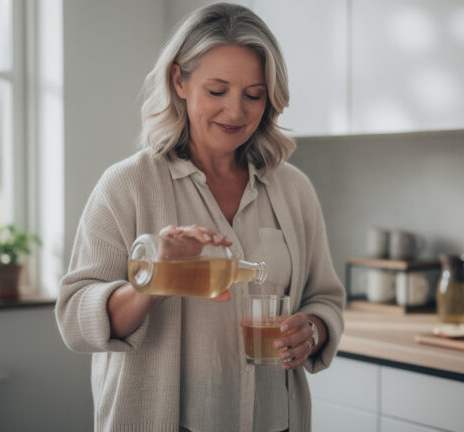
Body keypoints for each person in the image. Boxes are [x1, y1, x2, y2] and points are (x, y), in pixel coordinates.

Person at [55, 3, 345, 432]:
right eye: (217, 91)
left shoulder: (293, 190)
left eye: (253, 95)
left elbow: (325, 298)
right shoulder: (127, 185)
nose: (236, 112)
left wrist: (315, 330)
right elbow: (75, 319)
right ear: (180, 81)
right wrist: (153, 280)